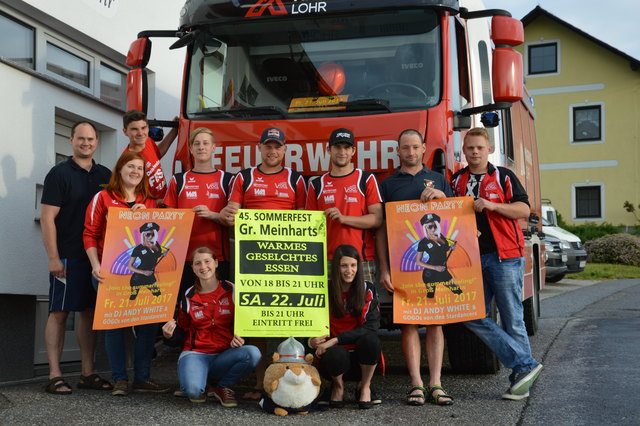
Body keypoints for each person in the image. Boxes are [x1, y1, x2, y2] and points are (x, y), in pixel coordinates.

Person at [447, 127, 543, 400]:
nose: (475, 152)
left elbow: (523, 210)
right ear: (463, 151)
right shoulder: (456, 180)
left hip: (505, 257)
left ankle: (520, 380)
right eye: (470, 148)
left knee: (513, 319)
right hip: (470, 260)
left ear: (488, 150)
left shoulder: (503, 176)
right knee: (469, 314)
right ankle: (525, 366)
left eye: (479, 148)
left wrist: (492, 205)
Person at [219, 127, 306, 400]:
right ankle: (260, 384)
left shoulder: (296, 179)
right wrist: (229, 214)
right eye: (268, 146)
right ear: (260, 148)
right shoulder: (244, 177)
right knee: (254, 319)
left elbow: (304, 220)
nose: (272, 151)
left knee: (287, 320)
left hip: (286, 260)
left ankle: (285, 381)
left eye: (277, 147)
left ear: (284, 150)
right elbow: (231, 215)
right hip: (251, 259)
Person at [376, 129, 454, 406]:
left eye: (415, 147)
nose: (410, 152)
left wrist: (442, 198)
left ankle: (436, 383)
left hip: (438, 265)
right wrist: (383, 269)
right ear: (398, 151)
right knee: (408, 323)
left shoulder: (440, 180)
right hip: (403, 265)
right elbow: (381, 231)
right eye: (405, 148)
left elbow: (457, 218)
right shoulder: (386, 185)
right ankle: (416, 384)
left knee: (435, 322)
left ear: (424, 149)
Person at [83, 151, 170, 396]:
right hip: (108, 273)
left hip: (149, 276)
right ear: (119, 169)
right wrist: (95, 264)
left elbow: (162, 236)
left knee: (148, 325)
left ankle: (142, 378)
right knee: (114, 326)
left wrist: (149, 215)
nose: (135, 171)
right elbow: (89, 233)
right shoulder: (103, 197)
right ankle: (120, 379)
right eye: (130, 166)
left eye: (140, 168)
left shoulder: (151, 202)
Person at [40, 121, 112, 394]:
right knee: (58, 312)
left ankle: (87, 373)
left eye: (90, 139)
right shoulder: (58, 174)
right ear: (71, 140)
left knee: (89, 313)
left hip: (96, 258)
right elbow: (47, 219)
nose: (86, 143)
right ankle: (54, 374)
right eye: (80, 139)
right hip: (68, 255)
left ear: (96, 142)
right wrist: (53, 257)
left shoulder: (105, 174)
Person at [162, 247, 261, 407]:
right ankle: (197, 381)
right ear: (193, 268)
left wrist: (241, 336)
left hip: (225, 354)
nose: (203, 267)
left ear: (216, 263)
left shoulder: (233, 289)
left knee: (253, 353)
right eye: (197, 263)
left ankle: (222, 386)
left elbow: (246, 322)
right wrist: (169, 336)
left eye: (207, 261)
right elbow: (182, 332)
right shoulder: (188, 295)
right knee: (194, 392)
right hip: (197, 354)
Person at [163, 128, 233, 301]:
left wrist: (212, 215)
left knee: (218, 308)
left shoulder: (228, 179)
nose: (201, 147)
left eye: (205, 143)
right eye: (197, 144)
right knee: (184, 309)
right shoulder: (179, 180)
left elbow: (233, 220)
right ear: (191, 149)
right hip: (183, 258)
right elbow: (169, 221)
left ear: (214, 148)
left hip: (217, 257)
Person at [309, 245, 382, 410]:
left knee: (371, 340)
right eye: (344, 266)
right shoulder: (324, 289)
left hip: (362, 359)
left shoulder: (367, 288)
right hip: (334, 360)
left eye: (353, 265)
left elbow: (371, 326)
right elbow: (310, 320)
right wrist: (311, 340)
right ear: (336, 267)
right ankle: (337, 386)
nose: (349, 270)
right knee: (336, 353)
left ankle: (364, 386)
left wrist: (335, 340)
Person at [306, 128, 382, 282]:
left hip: (360, 259)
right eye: (337, 147)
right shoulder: (317, 184)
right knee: (332, 307)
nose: (342, 152)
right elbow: (310, 227)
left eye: (346, 147)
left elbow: (377, 219)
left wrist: (343, 219)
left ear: (353, 151)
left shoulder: (365, 179)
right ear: (328, 150)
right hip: (328, 261)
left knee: (363, 305)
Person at [122, 109, 178, 199]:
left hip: (163, 202)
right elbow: (130, 195)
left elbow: (158, 153)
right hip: (148, 209)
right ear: (125, 132)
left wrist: (175, 130)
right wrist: (157, 203)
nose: (140, 133)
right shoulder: (127, 159)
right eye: (134, 129)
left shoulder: (148, 141)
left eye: (143, 128)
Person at [416, 213, 462, 298]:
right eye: (430, 227)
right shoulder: (423, 243)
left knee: (458, 291)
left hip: (443, 271)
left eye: (435, 226)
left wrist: (450, 247)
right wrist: (435, 267)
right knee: (431, 296)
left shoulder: (440, 237)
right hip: (430, 274)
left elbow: (444, 249)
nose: (433, 229)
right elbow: (418, 262)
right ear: (425, 227)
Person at [127, 222, 168, 301]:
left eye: (153, 234)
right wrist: (144, 272)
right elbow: (130, 266)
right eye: (148, 234)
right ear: (143, 235)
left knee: (158, 294)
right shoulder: (138, 249)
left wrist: (162, 254)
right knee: (133, 298)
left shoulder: (156, 245)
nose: (150, 237)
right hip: (138, 278)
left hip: (150, 276)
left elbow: (154, 256)